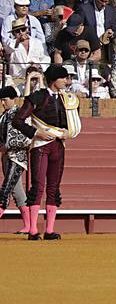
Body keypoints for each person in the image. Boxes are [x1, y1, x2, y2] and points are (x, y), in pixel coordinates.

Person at [11, 65, 79, 239]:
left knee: (53, 188)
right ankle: (33, 230)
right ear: (54, 80)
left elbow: (72, 124)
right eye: (63, 78)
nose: (66, 80)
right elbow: (17, 121)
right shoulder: (38, 97)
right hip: (40, 145)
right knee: (38, 186)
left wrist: (67, 133)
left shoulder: (67, 99)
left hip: (59, 146)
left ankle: (49, 230)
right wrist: (35, 132)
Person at [0, 84, 36, 236]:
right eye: (1, 100)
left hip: (17, 158)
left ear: (13, 99)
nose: (2, 103)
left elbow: (27, 138)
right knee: (17, 192)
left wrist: (7, 146)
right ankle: (28, 226)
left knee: (6, 189)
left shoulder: (20, 115)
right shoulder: (3, 116)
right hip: (6, 157)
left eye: (5, 100)